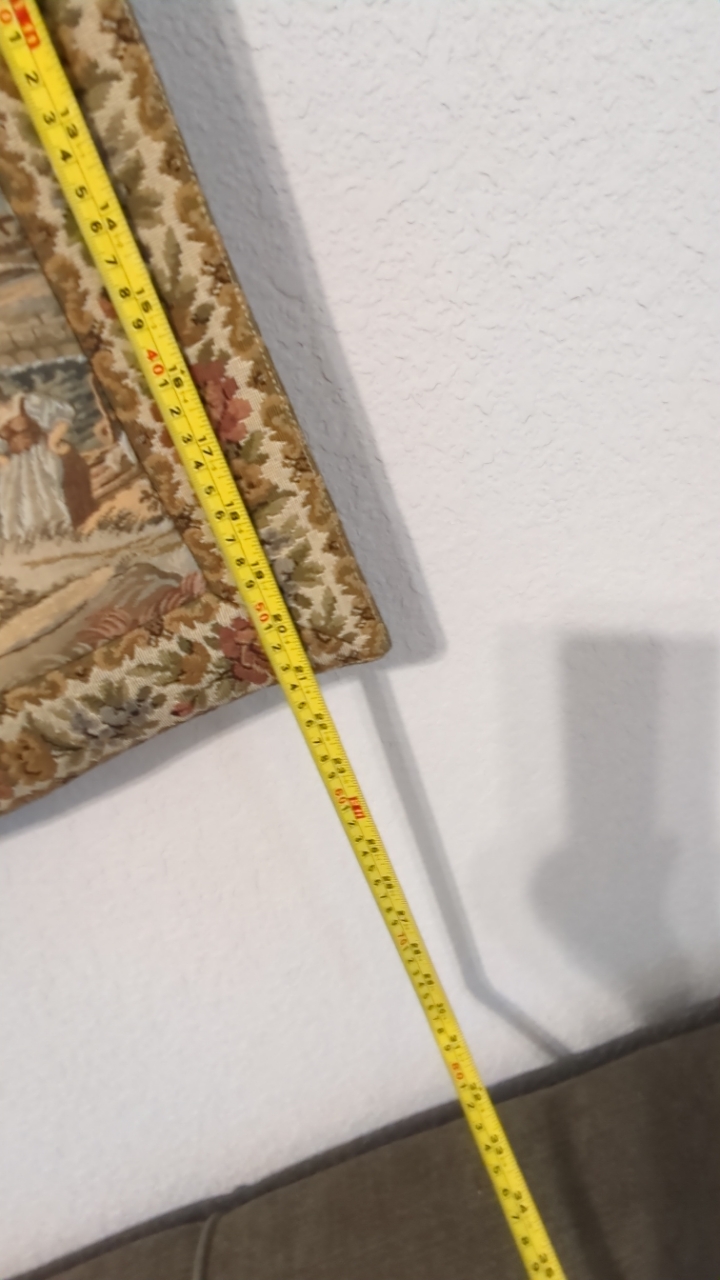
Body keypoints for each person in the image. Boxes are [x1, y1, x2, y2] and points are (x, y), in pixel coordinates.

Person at [0, 390, 94, 544]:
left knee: (44, 493)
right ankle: (30, 539)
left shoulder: (25, 403)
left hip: (40, 455)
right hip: (16, 464)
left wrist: (52, 441)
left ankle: (58, 533)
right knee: (15, 501)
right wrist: (4, 461)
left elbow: (63, 415)